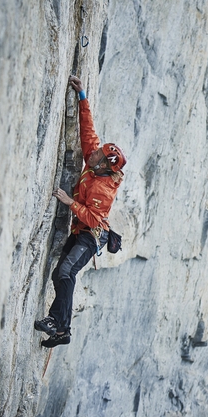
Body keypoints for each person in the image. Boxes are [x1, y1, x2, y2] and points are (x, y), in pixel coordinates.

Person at [34, 75, 127, 348]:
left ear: (104, 167)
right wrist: (83, 96)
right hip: (81, 230)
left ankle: (56, 323)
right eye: (96, 152)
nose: (93, 153)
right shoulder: (96, 160)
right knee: (58, 275)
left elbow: (93, 217)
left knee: (65, 272)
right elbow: (88, 130)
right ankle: (62, 332)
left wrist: (68, 201)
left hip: (92, 235)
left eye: (97, 156)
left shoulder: (104, 189)